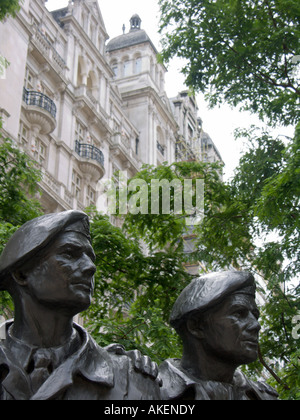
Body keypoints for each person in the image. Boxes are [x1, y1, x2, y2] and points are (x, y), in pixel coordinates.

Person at [0, 211, 161, 400]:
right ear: (21, 273)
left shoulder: (134, 379)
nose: (90, 266)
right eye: (69, 253)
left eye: (90, 257)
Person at [159, 271, 278, 400]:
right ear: (196, 325)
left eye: (255, 315)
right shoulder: (152, 387)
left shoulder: (264, 397)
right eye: (239, 313)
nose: (256, 325)